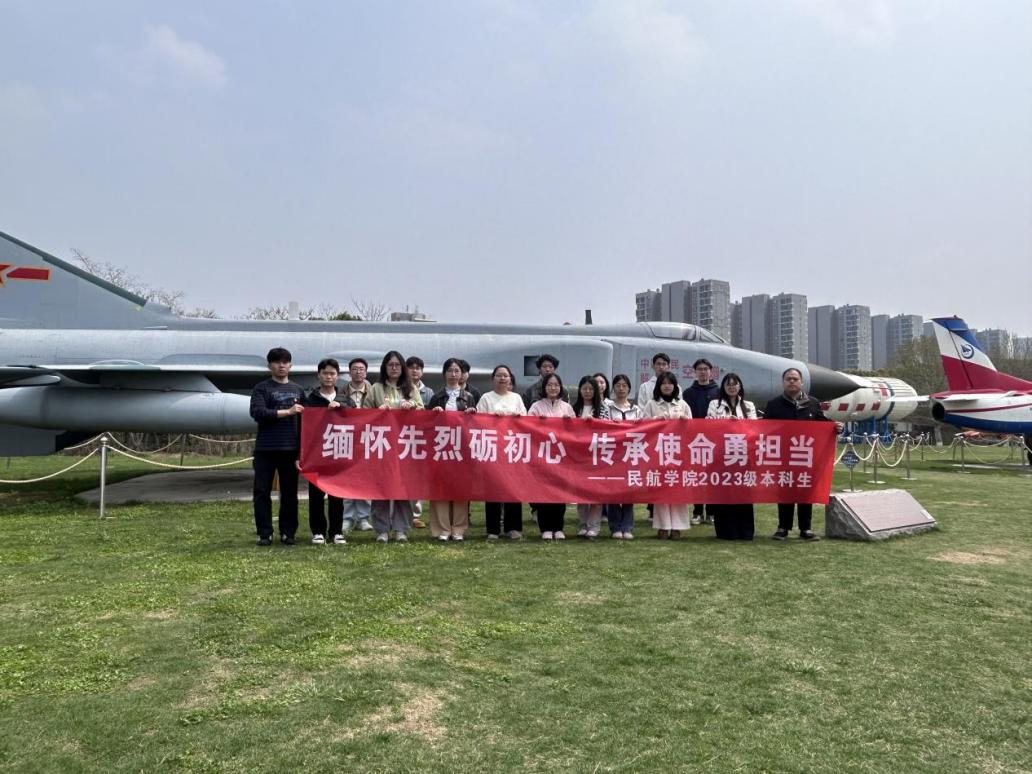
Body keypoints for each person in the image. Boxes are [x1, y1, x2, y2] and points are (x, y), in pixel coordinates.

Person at [763, 367, 837, 542]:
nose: (792, 382)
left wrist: (836, 426)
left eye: (795, 379)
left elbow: (823, 423)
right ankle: (783, 527)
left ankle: (806, 528)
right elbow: (764, 429)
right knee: (785, 491)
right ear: (783, 382)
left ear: (801, 382)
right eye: (788, 379)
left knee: (805, 491)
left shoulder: (812, 403)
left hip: (805, 456)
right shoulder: (774, 404)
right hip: (783, 456)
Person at [363, 351, 424, 542]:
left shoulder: (410, 387)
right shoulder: (376, 388)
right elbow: (364, 413)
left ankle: (401, 529)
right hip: (382, 445)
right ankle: (381, 529)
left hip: (404, 445)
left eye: (398, 365)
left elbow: (423, 411)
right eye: (391, 365)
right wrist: (377, 411)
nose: (394, 368)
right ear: (385, 367)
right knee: (381, 487)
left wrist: (412, 406)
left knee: (402, 487)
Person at [249, 347, 305, 546]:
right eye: (277, 362)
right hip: (265, 449)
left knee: (289, 493)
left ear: (290, 365)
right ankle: (264, 533)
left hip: (290, 449)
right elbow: (258, 413)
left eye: (285, 362)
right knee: (262, 491)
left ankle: (288, 532)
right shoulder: (261, 388)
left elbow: (306, 421)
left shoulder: (298, 390)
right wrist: (287, 412)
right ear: (269, 365)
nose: (281, 366)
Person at [426, 358, 478, 541]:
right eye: (450, 370)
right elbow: (426, 424)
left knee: (460, 488)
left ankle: (458, 529)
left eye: (457, 371)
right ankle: (442, 529)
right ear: (444, 374)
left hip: (461, 448)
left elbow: (476, 425)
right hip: (441, 448)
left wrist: (471, 414)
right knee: (440, 488)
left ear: (462, 374)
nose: (453, 374)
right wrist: (434, 413)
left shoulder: (468, 396)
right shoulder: (437, 396)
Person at [301, 358, 348, 545]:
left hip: (339, 452)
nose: (329, 377)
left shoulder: (344, 398)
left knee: (337, 495)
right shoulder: (310, 400)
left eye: (332, 373)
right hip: (316, 453)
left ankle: (336, 531)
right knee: (316, 495)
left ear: (337, 376)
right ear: (318, 375)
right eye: (325, 373)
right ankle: (318, 531)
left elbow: (355, 417)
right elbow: (303, 427)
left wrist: (342, 408)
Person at [706, 372, 757, 541]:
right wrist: (727, 423)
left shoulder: (748, 406)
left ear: (740, 386)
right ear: (723, 387)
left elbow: (755, 428)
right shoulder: (715, 404)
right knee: (724, 493)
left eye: (735, 384)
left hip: (743, 455)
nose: (732, 387)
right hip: (722, 455)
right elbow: (709, 426)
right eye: (728, 384)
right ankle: (726, 531)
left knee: (743, 493)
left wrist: (739, 424)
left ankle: (745, 531)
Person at [476, 364, 526, 540]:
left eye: (506, 375)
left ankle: (513, 527)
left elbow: (525, 420)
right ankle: (493, 529)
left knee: (513, 489)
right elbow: (477, 421)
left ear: (510, 379)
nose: (502, 378)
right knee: (493, 489)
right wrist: (492, 419)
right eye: (499, 375)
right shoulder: (486, 398)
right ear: (493, 379)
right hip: (492, 449)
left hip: (512, 449)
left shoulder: (517, 398)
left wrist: (517, 418)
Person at [643, 372, 692, 539]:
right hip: (658, 451)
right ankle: (663, 526)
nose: (667, 386)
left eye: (670, 383)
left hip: (679, 452)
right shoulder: (651, 403)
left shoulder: (682, 404)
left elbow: (694, 428)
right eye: (663, 383)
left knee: (678, 489)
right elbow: (642, 426)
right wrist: (656, 419)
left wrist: (686, 421)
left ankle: (677, 527)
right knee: (661, 489)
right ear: (659, 386)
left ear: (675, 386)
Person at [528, 372, 575, 540]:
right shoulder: (536, 406)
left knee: (559, 493)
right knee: (544, 492)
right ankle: (545, 528)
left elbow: (576, 432)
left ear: (560, 387)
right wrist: (537, 422)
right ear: (544, 387)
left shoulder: (567, 407)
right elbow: (526, 428)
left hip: (561, 456)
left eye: (556, 385)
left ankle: (558, 527)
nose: (553, 388)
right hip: (542, 455)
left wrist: (569, 422)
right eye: (549, 385)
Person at [604, 374, 642, 539]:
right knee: (613, 490)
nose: (621, 388)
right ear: (613, 388)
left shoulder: (636, 409)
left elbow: (643, 429)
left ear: (629, 388)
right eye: (618, 385)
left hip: (631, 453)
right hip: (612, 454)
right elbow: (602, 427)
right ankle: (615, 527)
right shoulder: (607, 408)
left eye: (624, 385)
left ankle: (627, 526)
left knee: (629, 490)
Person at [684, 358, 720, 525]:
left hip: (714, 439)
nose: (703, 372)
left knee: (712, 476)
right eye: (700, 369)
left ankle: (711, 512)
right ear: (695, 372)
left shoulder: (718, 391)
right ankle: (697, 511)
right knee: (697, 476)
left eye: (706, 369)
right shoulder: (688, 393)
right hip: (695, 440)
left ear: (711, 371)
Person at [341, 358, 374, 532]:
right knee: (346, 479)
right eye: (355, 369)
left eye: (361, 369)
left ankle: (363, 518)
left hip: (367, 440)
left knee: (365, 480)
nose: (358, 372)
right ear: (349, 372)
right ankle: (347, 517)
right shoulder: (341, 391)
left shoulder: (373, 391)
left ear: (366, 372)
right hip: (347, 439)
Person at [572, 375, 606, 538]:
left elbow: (608, 429)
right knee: (580, 493)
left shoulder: (603, 409)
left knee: (596, 493)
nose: (587, 391)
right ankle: (583, 524)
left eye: (591, 389)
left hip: (597, 455)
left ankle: (594, 526)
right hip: (579, 456)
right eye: (584, 388)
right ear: (580, 390)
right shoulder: (574, 408)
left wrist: (595, 423)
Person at [405, 355, 434, 529]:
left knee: (417, 478)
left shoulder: (428, 392)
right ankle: (399, 514)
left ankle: (415, 515)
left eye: (418, 368)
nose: (414, 371)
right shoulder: (400, 388)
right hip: (401, 437)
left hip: (420, 439)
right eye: (411, 367)